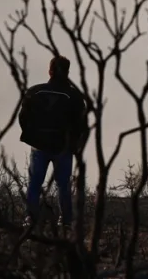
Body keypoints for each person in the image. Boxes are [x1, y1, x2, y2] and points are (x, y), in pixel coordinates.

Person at [18, 55, 90, 230]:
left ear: (49, 71)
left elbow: (23, 118)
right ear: (67, 72)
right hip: (63, 148)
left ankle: (30, 218)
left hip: (39, 146)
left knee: (34, 183)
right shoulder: (74, 96)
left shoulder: (34, 92)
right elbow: (82, 125)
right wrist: (76, 145)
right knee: (63, 185)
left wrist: (32, 136)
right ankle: (65, 221)